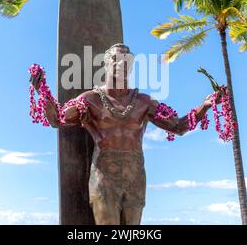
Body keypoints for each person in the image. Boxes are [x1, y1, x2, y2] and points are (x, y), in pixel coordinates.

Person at [31, 43, 216, 225]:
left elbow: (179, 126)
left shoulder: (145, 102)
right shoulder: (90, 100)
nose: (121, 64)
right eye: (115, 59)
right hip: (104, 176)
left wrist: (205, 106)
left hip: (135, 176)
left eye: (127, 60)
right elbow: (58, 119)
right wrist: (42, 91)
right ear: (106, 64)